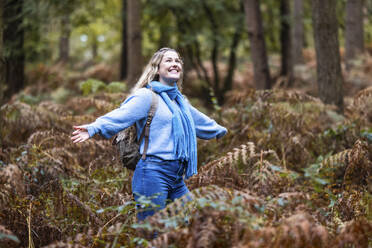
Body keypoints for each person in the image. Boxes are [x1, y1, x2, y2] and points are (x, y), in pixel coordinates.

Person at [71, 47, 227, 221]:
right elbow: (120, 115)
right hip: (152, 173)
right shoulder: (146, 96)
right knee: (153, 233)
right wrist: (93, 128)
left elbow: (199, 120)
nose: (174, 63)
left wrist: (220, 130)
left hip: (176, 176)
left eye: (177, 61)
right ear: (157, 68)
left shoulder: (180, 102)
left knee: (195, 222)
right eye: (168, 60)